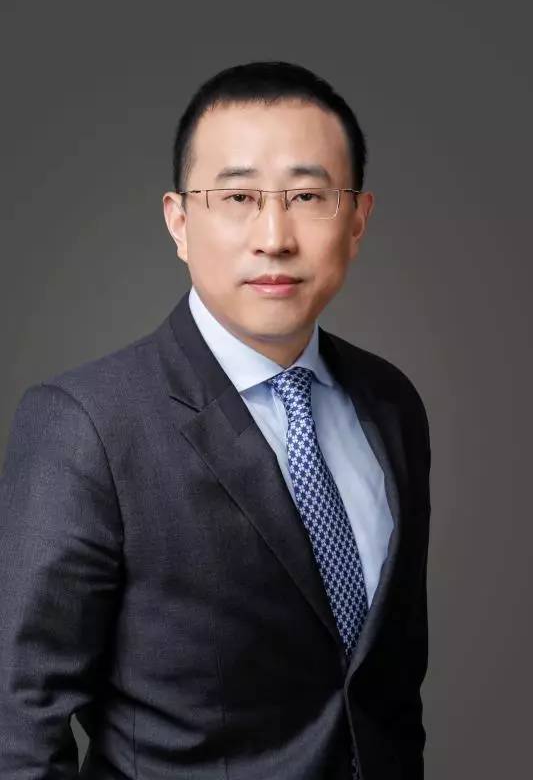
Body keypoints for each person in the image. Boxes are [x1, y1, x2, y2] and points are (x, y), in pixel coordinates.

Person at [0, 60, 432, 779]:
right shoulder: (87, 425)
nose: (274, 236)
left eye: (307, 196)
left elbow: (383, 687)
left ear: (356, 220)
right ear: (179, 221)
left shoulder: (390, 404)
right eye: (237, 197)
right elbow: (17, 726)